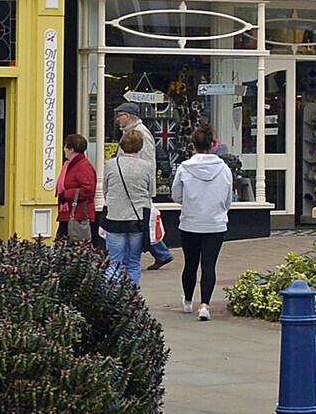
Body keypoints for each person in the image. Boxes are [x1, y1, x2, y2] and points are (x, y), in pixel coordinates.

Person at [173, 122, 234, 320]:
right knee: (209, 265)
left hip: (190, 222)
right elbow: (228, 199)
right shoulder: (224, 169)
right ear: (212, 144)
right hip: (215, 224)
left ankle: (188, 301)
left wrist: (190, 202)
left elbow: (176, 195)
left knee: (190, 264)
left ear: (194, 145)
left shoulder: (184, 168)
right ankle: (205, 306)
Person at [114, 104, 173, 268]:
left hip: (137, 187)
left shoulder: (141, 134)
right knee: (141, 221)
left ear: (129, 116)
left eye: (120, 115)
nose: (118, 119)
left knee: (141, 221)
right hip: (134, 186)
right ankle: (161, 253)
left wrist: (144, 186)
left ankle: (160, 253)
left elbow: (147, 162)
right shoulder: (131, 132)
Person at [99, 125, 157, 286]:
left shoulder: (111, 164)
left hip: (114, 218)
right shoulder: (147, 167)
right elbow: (151, 192)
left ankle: (112, 296)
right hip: (137, 221)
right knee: (133, 262)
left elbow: (105, 191)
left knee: (115, 262)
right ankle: (130, 298)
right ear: (140, 146)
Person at [55, 133, 97, 246]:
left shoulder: (83, 166)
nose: (64, 149)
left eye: (65, 146)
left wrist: (66, 194)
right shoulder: (71, 165)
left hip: (77, 216)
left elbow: (88, 189)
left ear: (71, 149)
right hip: (69, 214)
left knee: (71, 248)